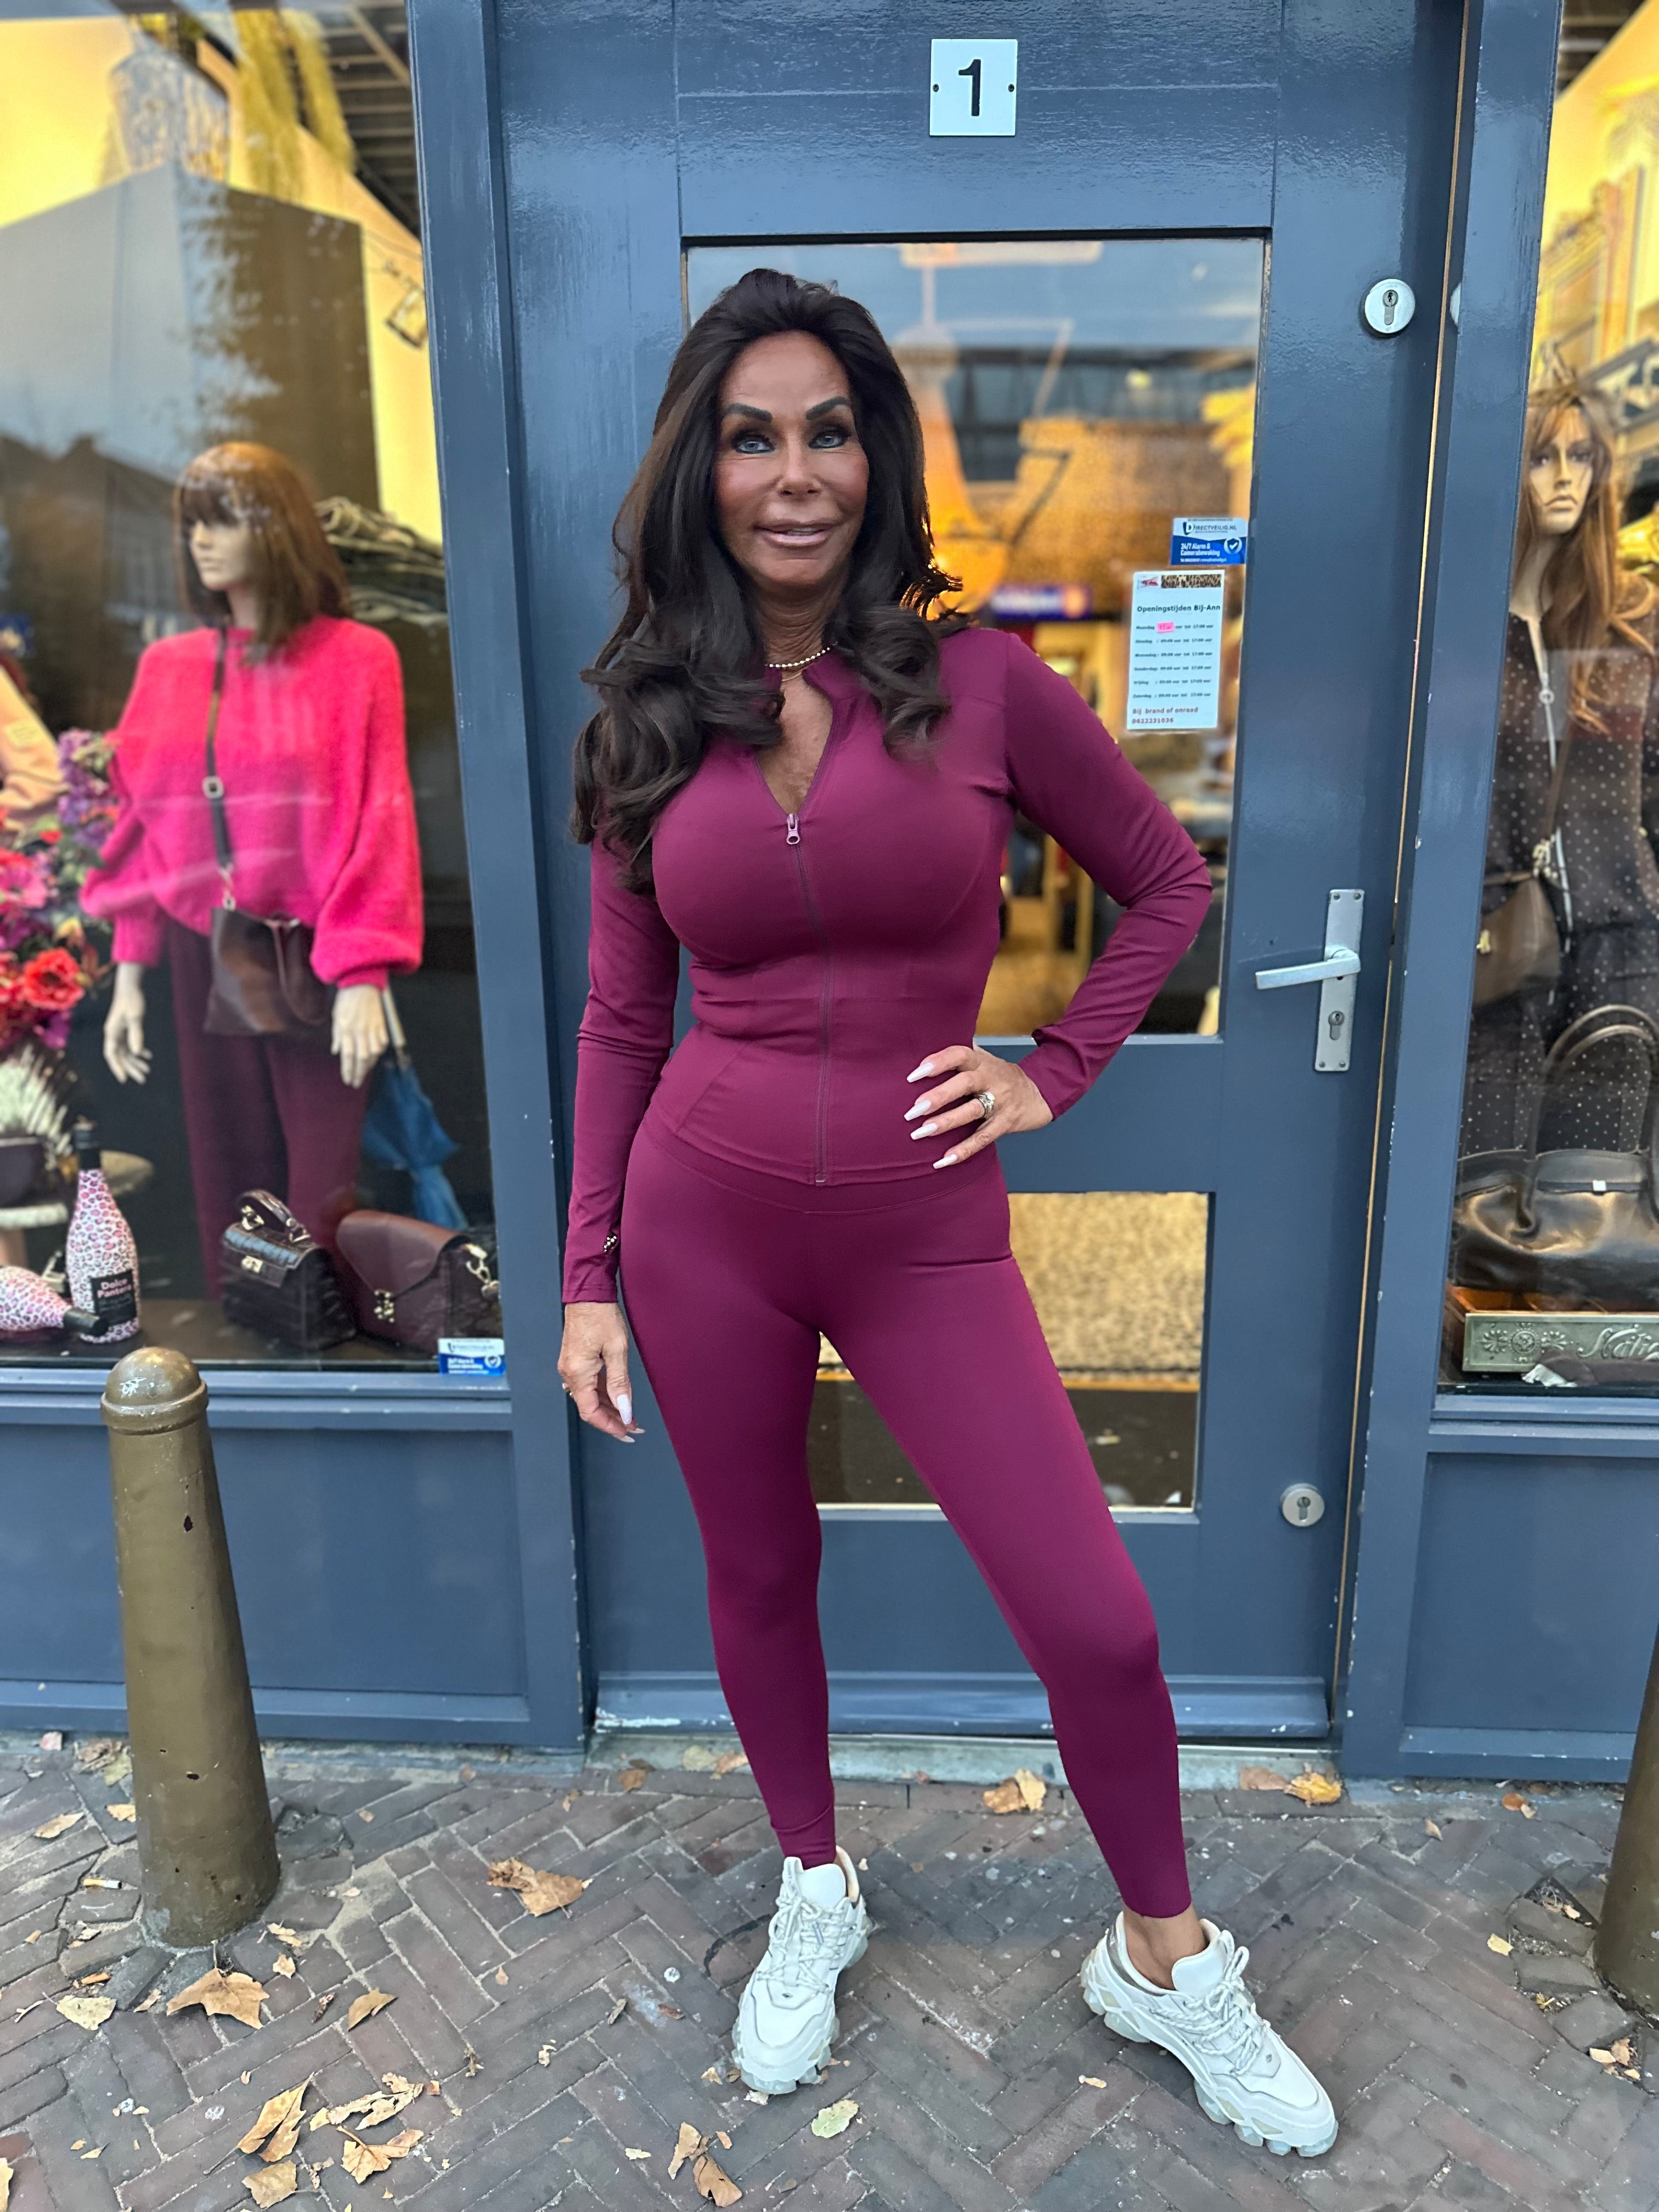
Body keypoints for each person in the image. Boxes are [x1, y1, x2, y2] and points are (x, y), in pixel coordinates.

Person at [558, 269, 1338, 2159]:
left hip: (923, 1231)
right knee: (760, 1574)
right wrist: (586, 1271)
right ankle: (814, 1881)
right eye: (753, 437)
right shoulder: (648, 716)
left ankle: (1162, 1958)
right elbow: (621, 1017)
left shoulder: (981, 686)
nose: (794, 474)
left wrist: (1051, 1065)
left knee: (1098, 1619)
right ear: (701, 472)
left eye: (829, 432)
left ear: (876, 461)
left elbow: (1166, 884)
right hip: (703, 1223)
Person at [84, 443, 423, 1290]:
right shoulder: (168, 668)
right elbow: (141, 823)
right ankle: (253, 1337)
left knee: (323, 1188)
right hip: (206, 946)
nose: (201, 540)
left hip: (314, 947)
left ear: (276, 527)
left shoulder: (357, 658)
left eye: (223, 518)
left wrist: (364, 969)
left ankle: (324, 1337)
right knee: (230, 1178)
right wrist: (131, 970)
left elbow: (381, 814)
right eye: (191, 523)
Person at [1463, 379, 1659, 1158]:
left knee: (1597, 1186)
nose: (1566, 478)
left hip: (1620, 944)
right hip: (1495, 940)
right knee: (1484, 1184)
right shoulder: (1466, 626)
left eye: (1582, 458)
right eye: (1542, 459)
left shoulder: (1632, 622)